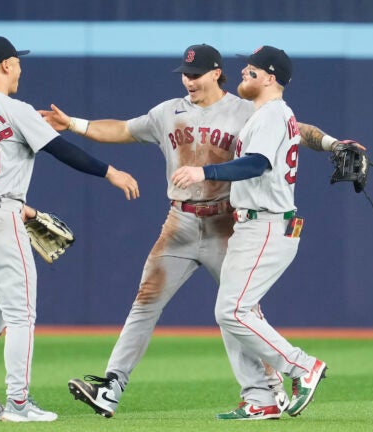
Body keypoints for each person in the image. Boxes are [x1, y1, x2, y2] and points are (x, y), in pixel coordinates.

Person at [40, 43, 354, 419]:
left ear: (216, 72)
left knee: (236, 311)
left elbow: (296, 131)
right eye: (185, 73)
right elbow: (122, 130)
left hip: (227, 222)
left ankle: (265, 390)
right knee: (147, 300)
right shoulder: (168, 112)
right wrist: (73, 123)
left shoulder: (247, 108)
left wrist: (334, 143)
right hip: (180, 222)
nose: (189, 79)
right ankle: (112, 386)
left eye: (196, 73)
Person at [0, 36, 139, 423]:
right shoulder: (14, 109)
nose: (21, 68)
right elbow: (62, 150)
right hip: (1, 221)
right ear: (5, 64)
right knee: (20, 317)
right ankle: (18, 403)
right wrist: (110, 172)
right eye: (17, 62)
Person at [171, 45, 327, 420]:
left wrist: (203, 172)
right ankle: (263, 397)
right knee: (237, 313)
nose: (243, 72)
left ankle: (301, 366)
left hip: (268, 223)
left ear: (270, 77)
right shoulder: (268, 114)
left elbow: (256, 164)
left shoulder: (273, 114)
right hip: (255, 223)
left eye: (252, 69)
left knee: (232, 311)